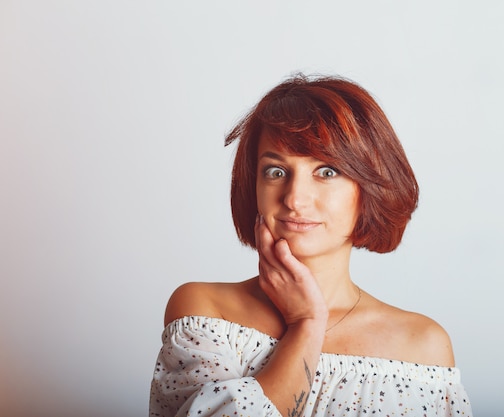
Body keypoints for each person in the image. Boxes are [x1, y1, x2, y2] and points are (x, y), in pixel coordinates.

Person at [149, 74, 472, 417]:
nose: (294, 198)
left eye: (327, 171)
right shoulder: (204, 312)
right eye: (275, 171)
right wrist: (306, 323)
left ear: (370, 185)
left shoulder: (422, 346)